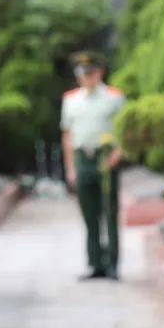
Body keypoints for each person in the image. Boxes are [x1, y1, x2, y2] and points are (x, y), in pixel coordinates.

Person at [61, 50, 126, 281]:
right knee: (89, 214)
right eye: (82, 74)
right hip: (82, 158)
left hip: (106, 157)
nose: (86, 78)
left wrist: (117, 154)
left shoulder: (114, 97)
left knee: (109, 211)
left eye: (90, 73)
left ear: (99, 73)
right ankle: (95, 262)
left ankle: (113, 264)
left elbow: (123, 130)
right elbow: (67, 135)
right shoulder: (71, 100)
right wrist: (70, 168)